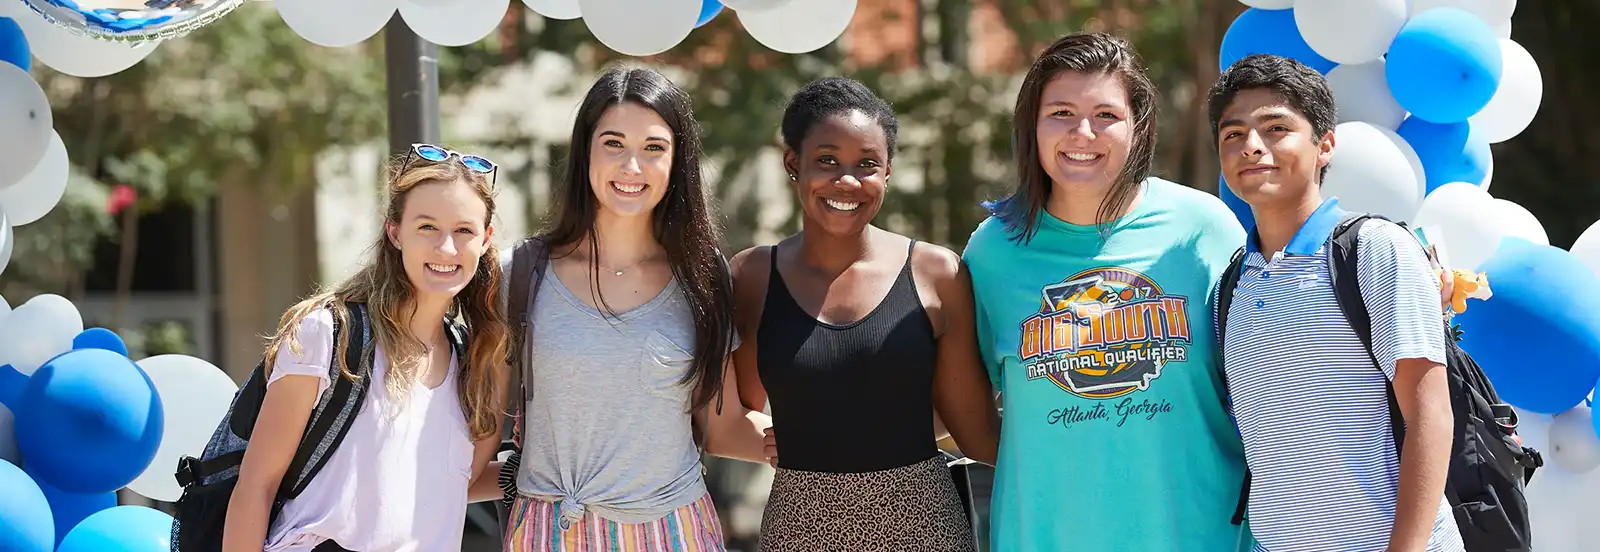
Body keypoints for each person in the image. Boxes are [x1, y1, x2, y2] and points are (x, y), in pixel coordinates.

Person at [960, 32, 1253, 551]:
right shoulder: (992, 252)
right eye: (1061, 112)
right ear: (1032, 125)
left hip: (1198, 536)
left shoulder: (1202, 228)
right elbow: (960, 405)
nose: (1083, 132)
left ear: (1137, 126)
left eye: (1106, 115)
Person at [494, 66, 771, 552]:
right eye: (614, 144)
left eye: (654, 148)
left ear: (677, 161)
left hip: (675, 532)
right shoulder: (518, 273)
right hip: (549, 532)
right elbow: (475, 422)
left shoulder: (703, 279)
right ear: (585, 151)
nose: (631, 167)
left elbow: (722, 427)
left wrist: (826, 434)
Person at [729, 77, 1002, 551]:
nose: (847, 181)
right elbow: (731, 413)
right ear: (793, 163)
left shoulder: (937, 273)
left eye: (867, 164)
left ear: (888, 173)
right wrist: (773, 439)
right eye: (828, 161)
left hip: (923, 526)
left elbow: (973, 429)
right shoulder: (751, 276)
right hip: (800, 528)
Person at [1207, 54, 1463, 552]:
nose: (1251, 147)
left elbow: (1431, 412)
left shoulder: (1372, 248)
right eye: (1232, 135)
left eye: (1275, 128)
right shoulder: (1233, 282)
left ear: (1324, 145)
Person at [224, 144, 510, 552]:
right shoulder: (329, 335)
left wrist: (538, 476)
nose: (446, 248)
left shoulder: (475, 359)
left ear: (485, 239)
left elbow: (447, 485)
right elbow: (257, 484)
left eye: (463, 230)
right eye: (427, 227)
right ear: (395, 232)